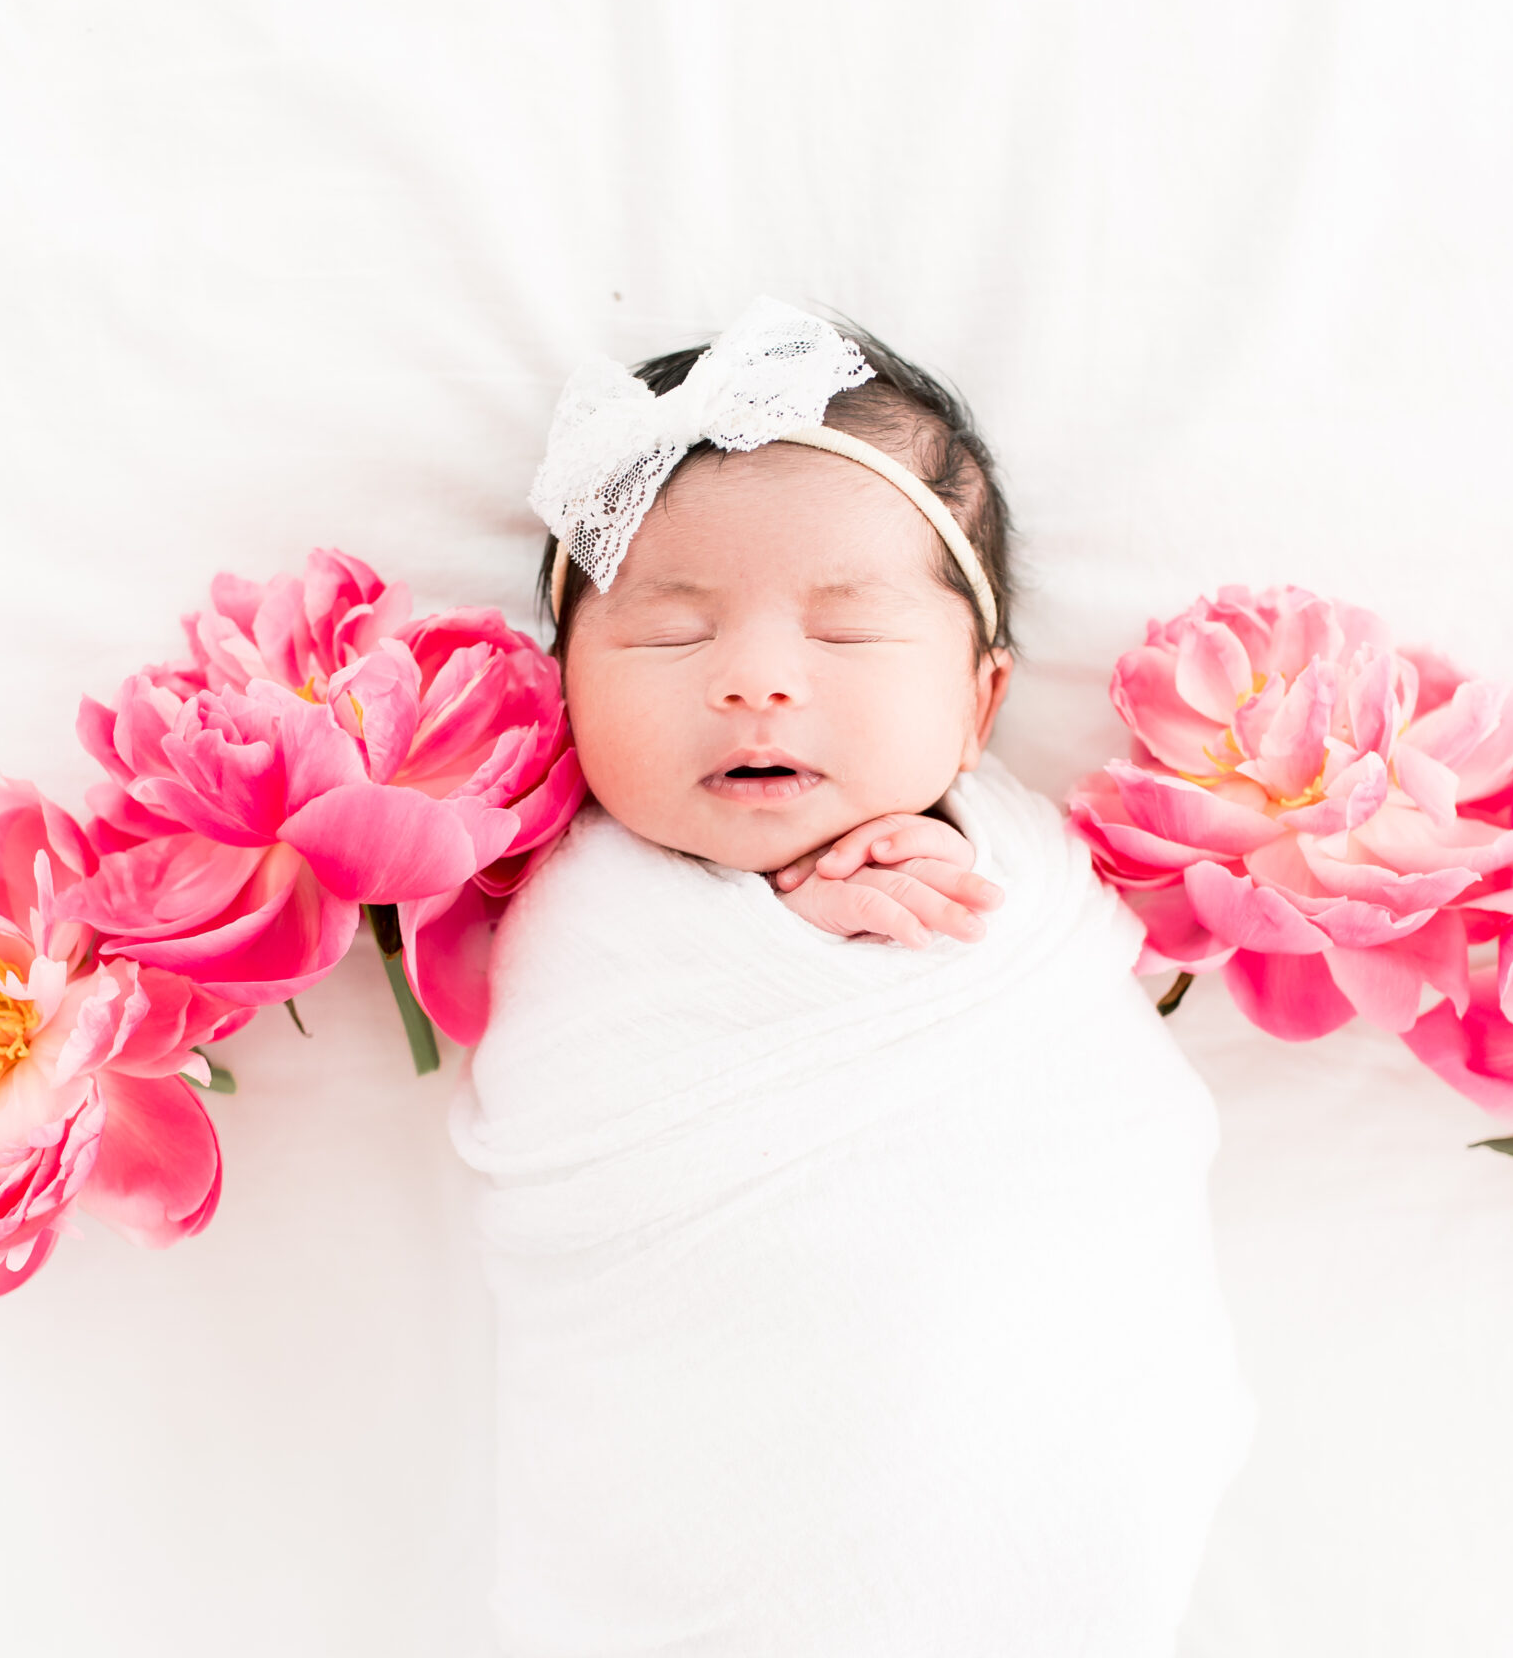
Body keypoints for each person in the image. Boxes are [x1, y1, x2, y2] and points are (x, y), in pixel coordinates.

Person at [452, 300, 1249, 1656]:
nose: (757, 680)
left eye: (846, 634)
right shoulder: (593, 929)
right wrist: (779, 926)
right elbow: (578, 1104)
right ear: (566, 683)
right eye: (667, 637)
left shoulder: (1028, 901)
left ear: (982, 703)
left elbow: (1102, 1163)